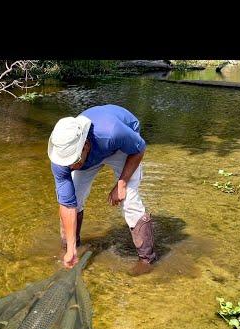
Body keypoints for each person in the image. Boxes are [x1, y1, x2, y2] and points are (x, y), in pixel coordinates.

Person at [47, 104, 157, 271]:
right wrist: (71, 250)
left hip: (123, 148)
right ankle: (70, 248)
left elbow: (139, 149)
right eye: (67, 163)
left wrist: (122, 183)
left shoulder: (113, 132)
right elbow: (68, 204)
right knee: (76, 197)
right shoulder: (61, 159)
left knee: (129, 200)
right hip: (93, 153)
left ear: (85, 147)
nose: (70, 167)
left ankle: (147, 261)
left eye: (73, 161)